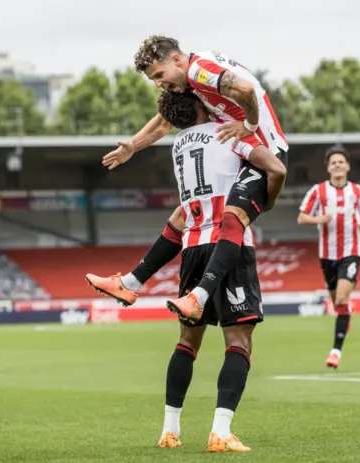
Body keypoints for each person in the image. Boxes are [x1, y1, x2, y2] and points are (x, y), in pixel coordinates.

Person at [90, 91, 270, 452]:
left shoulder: (179, 144)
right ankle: (221, 430)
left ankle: (169, 430)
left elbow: (181, 213)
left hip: (191, 247)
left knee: (187, 343)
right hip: (228, 245)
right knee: (238, 342)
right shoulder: (225, 132)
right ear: (202, 105)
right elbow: (269, 158)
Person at [99, 36, 287, 321]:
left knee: (232, 216)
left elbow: (247, 90)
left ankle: (199, 296)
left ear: (177, 60)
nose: (158, 83)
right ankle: (129, 284)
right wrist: (132, 147)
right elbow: (164, 122)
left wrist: (248, 124)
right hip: (243, 151)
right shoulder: (190, 80)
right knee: (185, 215)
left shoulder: (200, 71)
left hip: (265, 153)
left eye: (159, 75)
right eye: (153, 79)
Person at [297, 146, 360, 369]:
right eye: (333, 163)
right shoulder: (318, 191)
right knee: (338, 304)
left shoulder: (357, 191)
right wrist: (320, 219)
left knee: (340, 299)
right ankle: (345, 313)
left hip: (352, 250)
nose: (337, 165)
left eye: (341, 162)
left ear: (347, 166)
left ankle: (335, 352)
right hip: (327, 254)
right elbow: (301, 218)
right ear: (328, 168)